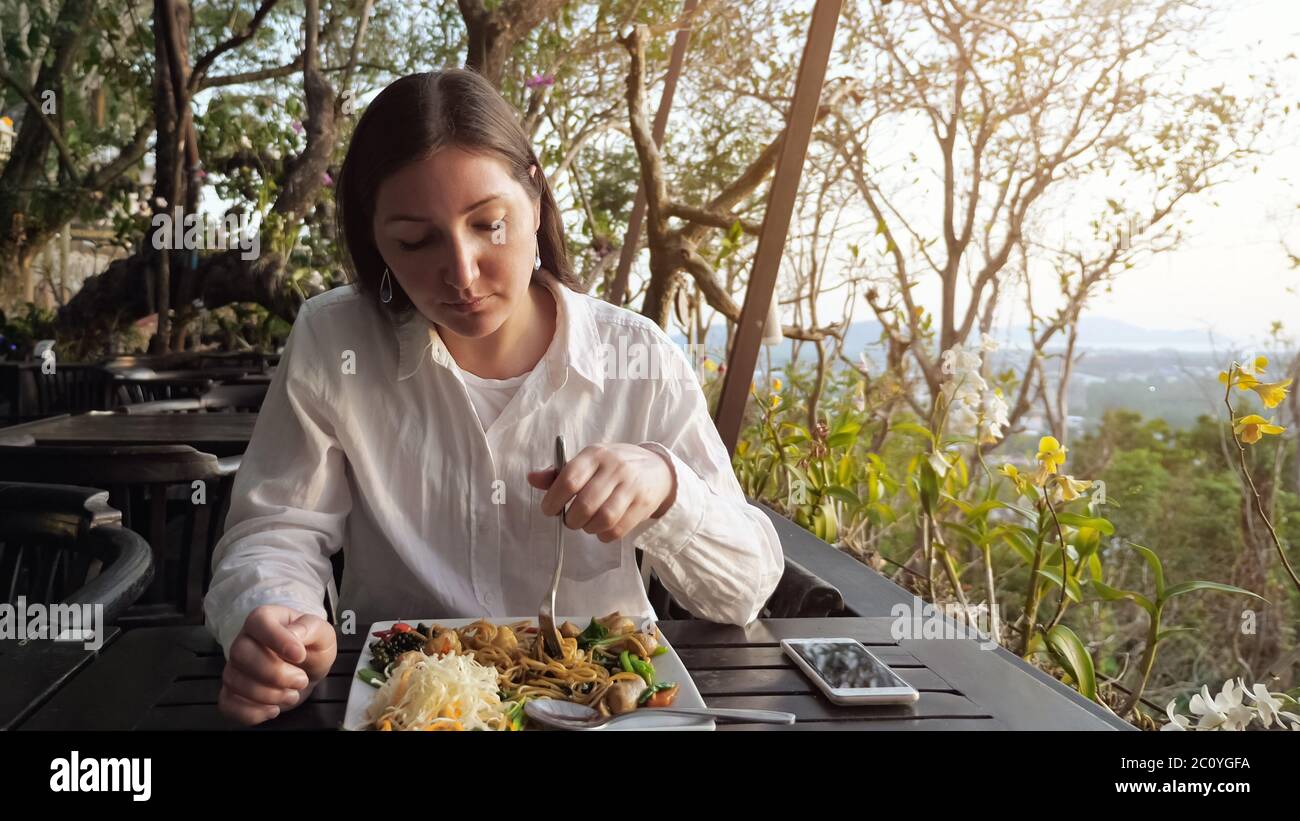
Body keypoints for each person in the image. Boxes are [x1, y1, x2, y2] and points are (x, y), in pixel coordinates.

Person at [204, 68, 783, 726]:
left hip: (601, 703)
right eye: (416, 241)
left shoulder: (639, 358)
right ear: (375, 241)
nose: (462, 271)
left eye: (489, 224)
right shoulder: (334, 339)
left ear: (534, 197)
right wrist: (278, 618)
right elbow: (276, 531)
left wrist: (667, 485)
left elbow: (745, 591)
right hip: (408, 703)